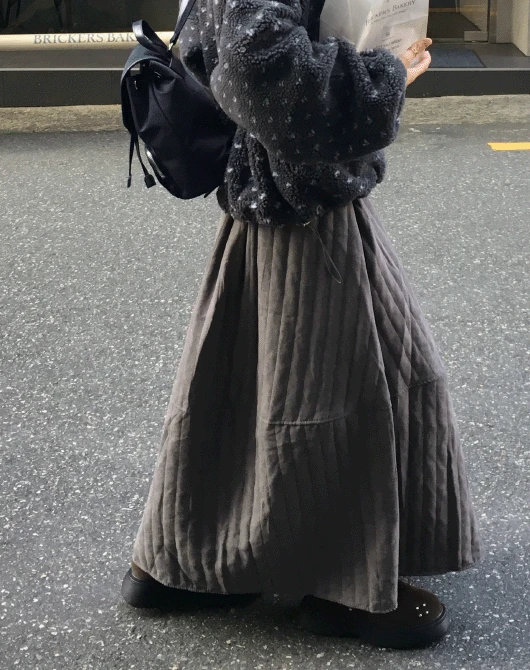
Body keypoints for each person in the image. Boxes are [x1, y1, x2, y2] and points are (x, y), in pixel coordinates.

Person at [121, 0, 481, 650]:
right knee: (339, 383)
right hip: (298, 197)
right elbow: (255, 68)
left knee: (242, 371)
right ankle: (342, 583)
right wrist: (386, 74)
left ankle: (182, 558)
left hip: (272, 189)